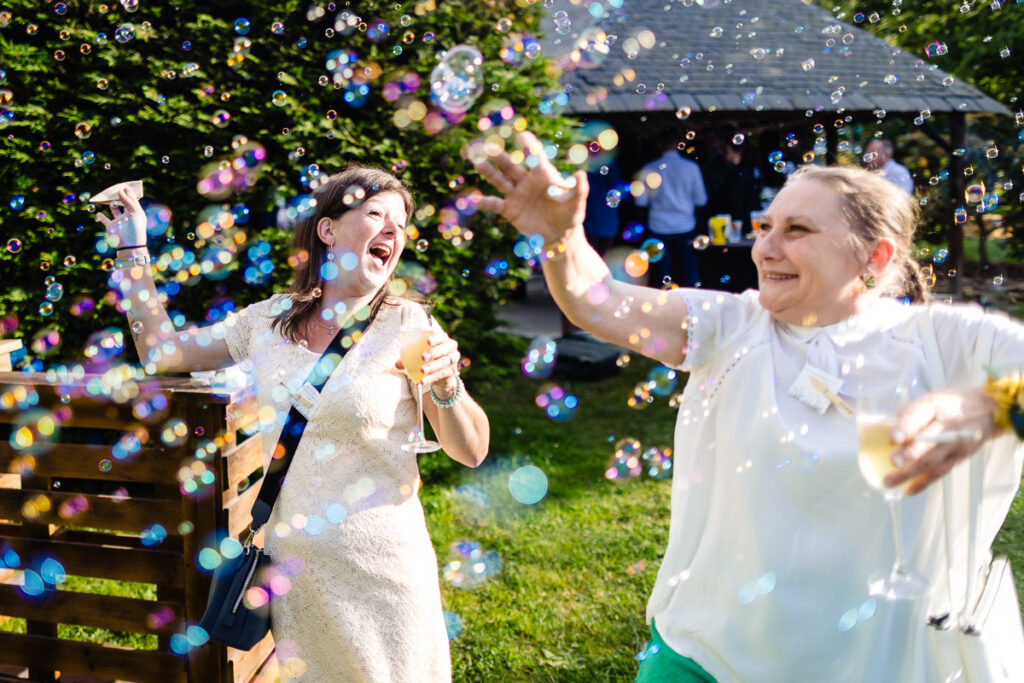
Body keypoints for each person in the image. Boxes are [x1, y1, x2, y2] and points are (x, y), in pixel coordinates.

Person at [474, 132, 1024, 682]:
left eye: (797, 230)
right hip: (703, 656)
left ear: (872, 256)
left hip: (874, 665)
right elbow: (603, 304)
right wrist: (561, 238)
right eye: (765, 227)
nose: (765, 248)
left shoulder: (946, 342)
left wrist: (991, 404)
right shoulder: (732, 325)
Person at [98, 166, 489, 682]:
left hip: (384, 574)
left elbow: (472, 450)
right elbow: (161, 352)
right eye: (376, 214)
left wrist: (446, 387)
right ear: (327, 230)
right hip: (297, 577)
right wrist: (133, 253)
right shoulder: (266, 322)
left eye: (401, 222)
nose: (394, 231)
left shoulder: (408, 325)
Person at [634, 131, 708, 287]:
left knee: (661, 274)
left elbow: (640, 202)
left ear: (659, 145)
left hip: (658, 225)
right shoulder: (691, 167)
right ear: (678, 145)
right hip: (685, 225)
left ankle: (663, 306)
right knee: (690, 271)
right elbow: (701, 200)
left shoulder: (649, 168)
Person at [583, 159, 623, 257]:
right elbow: (617, 187)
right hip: (608, 224)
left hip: (590, 223)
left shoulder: (585, 165)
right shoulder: (608, 163)